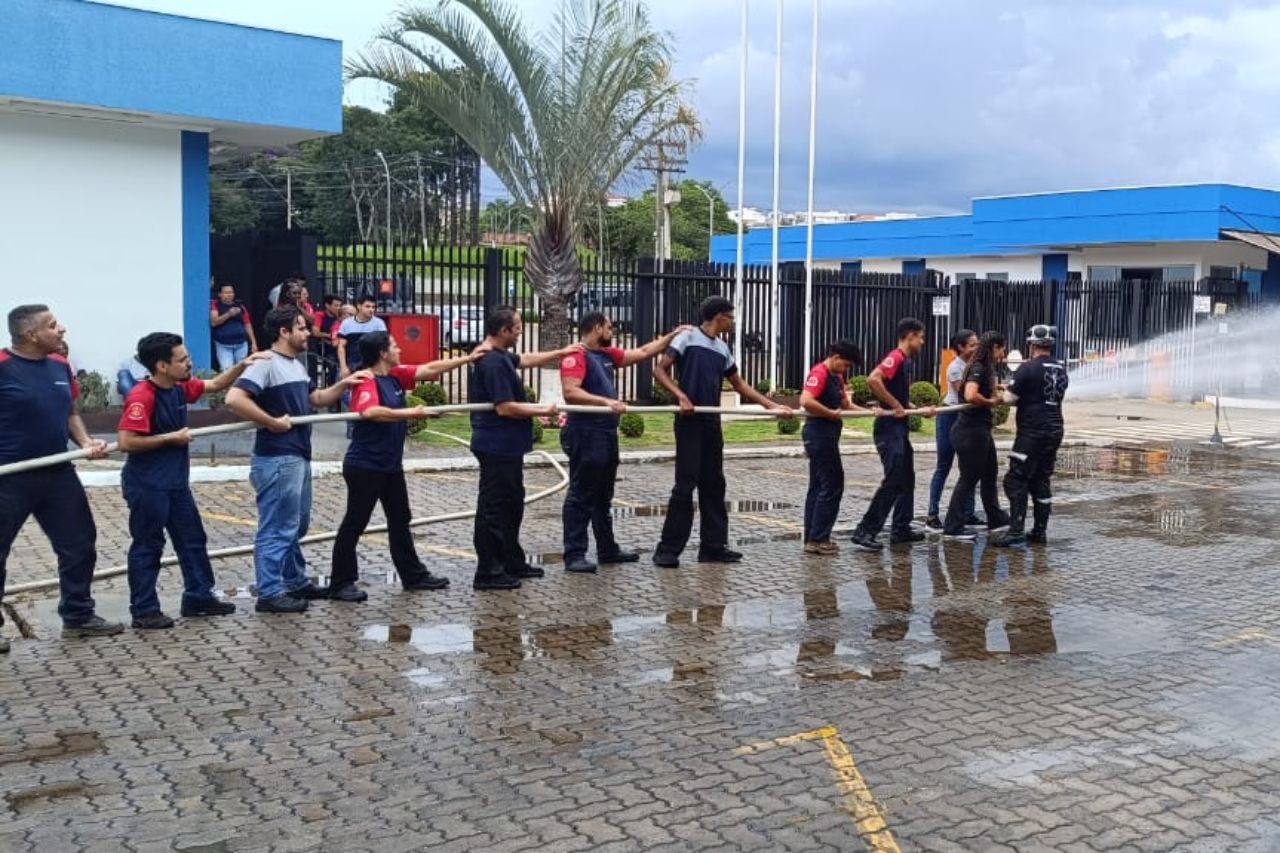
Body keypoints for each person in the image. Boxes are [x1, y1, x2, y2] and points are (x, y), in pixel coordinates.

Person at [117, 333, 266, 629]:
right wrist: (170, 438)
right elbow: (126, 441)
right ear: (161, 365)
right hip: (148, 484)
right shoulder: (142, 395)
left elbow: (215, 385)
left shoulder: (179, 387)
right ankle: (145, 609)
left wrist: (243, 365)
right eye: (182, 359)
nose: (189, 363)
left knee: (192, 539)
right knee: (149, 545)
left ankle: (198, 596)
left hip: (175, 483)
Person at [224, 306, 367, 613]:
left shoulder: (296, 365)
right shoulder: (265, 363)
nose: (308, 333)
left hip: (297, 455)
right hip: (277, 458)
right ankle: (270, 590)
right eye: (301, 328)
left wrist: (343, 385)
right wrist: (271, 421)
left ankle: (295, 580)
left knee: (295, 525)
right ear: (283, 332)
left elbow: (314, 400)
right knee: (277, 526)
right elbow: (234, 398)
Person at [0, 304, 120, 647]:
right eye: (53, 325)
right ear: (30, 335)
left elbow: (68, 411)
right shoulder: (3, 367)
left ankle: (78, 615)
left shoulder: (60, 364)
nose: (62, 329)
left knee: (79, 545)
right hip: (9, 477)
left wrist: (84, 441)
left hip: (57, 472)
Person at [328, 332, 477, 602]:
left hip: (389, 465)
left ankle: (413, 575)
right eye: (394, 346)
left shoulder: (394, 375)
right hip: (366, 465)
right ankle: (341, 582)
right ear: (383, 353)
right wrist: (412, 413)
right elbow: (370, 412)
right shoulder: (367, 380)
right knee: (355, 522)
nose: (399, 349)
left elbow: (429, 368)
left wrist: (469, 357)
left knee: (400, 519)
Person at [651, 295, 792, 569]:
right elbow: (659, 370)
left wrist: (771, 406)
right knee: (685, 485)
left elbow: (740, 385)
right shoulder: (688, 338)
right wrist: (681, 396)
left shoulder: (723, 349)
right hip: (690, 421)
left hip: (712, 422)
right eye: (731, 316)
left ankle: (713, 547)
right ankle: (667, 551)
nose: (733, 321)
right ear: (719, 317)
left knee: (714, 485)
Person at [559, 313, 692, 573]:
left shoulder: (607, 355)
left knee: (603, 495)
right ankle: (574, 554)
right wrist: (606, 402)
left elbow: (642, 352)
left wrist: (672, 336)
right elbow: (570, 391)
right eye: (609, 327)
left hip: (606, 433)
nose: (613, 331)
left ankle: (607, 549)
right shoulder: (576, 355)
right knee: (581, 494)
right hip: (586, 433)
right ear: (597, 328)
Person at [468, 306, 564, 590]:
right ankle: (489, 570)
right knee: (494, 508)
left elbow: (523, 360)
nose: (521, 331)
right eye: (518, 327)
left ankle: (511, 559)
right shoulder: (492, 362)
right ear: (503, 331)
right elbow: (505, 407)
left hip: (508, 447)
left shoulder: (500, 356)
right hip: (496, 445)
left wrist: (559, 353)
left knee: (512, 504)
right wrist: (541, 410)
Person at [850, 317, 936, 552]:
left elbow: (898, 395)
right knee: (895, 479)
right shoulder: (896, 357)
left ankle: (901, 529)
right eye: (920, 337)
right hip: (888, 429)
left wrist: (915, 409)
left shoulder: (905, 361)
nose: (922, 342)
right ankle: (865, 530)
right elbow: (873, 380)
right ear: (910, 336)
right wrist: (895, 405)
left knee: (907, 477)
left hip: (899, 428)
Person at [800, 339, 877, 555]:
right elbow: (806, 400)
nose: (846, 370)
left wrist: (868, 412)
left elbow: (845, 404)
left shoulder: (836, 377)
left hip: (828, 434)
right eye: (846, 365)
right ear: (835, 358)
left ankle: (813, 536)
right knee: (832, 484)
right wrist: (829, 413)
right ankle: (818, 538)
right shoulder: (820, 373)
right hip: (818, 434)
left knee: (818, 485)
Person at [995, 324, 1068, 546]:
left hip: (1032, 432)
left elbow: (1009, 399)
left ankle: (1016, 531)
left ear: (1031, 345)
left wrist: (1002, 391)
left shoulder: (1027, 368)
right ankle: (1039, 531)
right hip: (1055, 430)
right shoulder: (1061, 367)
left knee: (1015, 479)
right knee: (1041, 479)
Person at [942, 331, 1012, 540]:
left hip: (980, 431)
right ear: (994, 348)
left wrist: (996, 388)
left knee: (990, 473)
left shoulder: (982, 366)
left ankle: (995, 517)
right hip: (971, 432)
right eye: (1001, 348)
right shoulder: (979, 367)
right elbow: (971, 394)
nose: (1003, 353)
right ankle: (953, 526)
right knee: (968, 479)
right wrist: (990, 402)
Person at [926, 330, 979, 531]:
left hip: (966, 417)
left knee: (969, 466)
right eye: (972, 345)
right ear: (961, 347)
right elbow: (965, 393)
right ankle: (932, 514)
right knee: (944, 465)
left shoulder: (974, 365)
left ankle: (968, 513)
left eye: (977, 344)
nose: (976, 348)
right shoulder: (955, 367)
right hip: (950, 416)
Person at [210, 283, 258, 371]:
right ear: (220, 294)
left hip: (241, 344)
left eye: (231, 293)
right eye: (226, 293)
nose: (229, 295)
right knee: (227, 370)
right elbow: (214, 322)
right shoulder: (215, 305)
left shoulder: (240, 306)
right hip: (223, 345)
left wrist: (253, 343)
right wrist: (228, 314)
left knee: (242, 371)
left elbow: (247, 324)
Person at [337, 296, 388, 378]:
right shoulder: (346, 323)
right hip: (352, 365)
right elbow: (341, 347)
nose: (371, 309)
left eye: (373, 307)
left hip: (373, 367)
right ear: (359, 306)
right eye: (367, 306)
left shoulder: (379, 324)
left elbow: (383, 346)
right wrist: (343, 367)